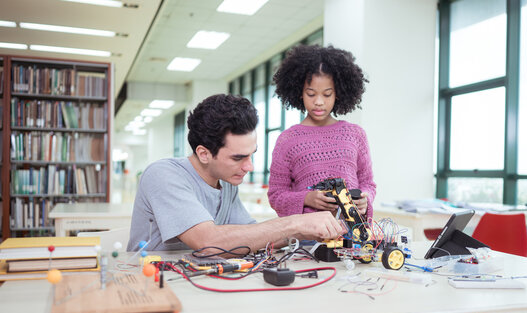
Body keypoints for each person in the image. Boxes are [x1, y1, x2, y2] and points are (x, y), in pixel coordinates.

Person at [127, 94, 345, 252]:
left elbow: (251, 234)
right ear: (203, 153)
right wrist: (294, 224)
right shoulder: (163, 175)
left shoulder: (226, 183)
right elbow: (208, 242)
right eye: (238, 158)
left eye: (251, 155)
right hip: (150, 285)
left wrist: (308, 233)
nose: (249, 167)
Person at [268, 44, 376, 221]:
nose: (319, 102)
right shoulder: (287, 140)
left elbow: (368, 184)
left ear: (338, 94)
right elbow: (276, 195)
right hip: (307, 239)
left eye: (327, 94)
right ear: (300, 93)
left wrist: (365, 199)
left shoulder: (355, 134)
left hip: (354, 236)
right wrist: (306, 198)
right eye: (311, 94)